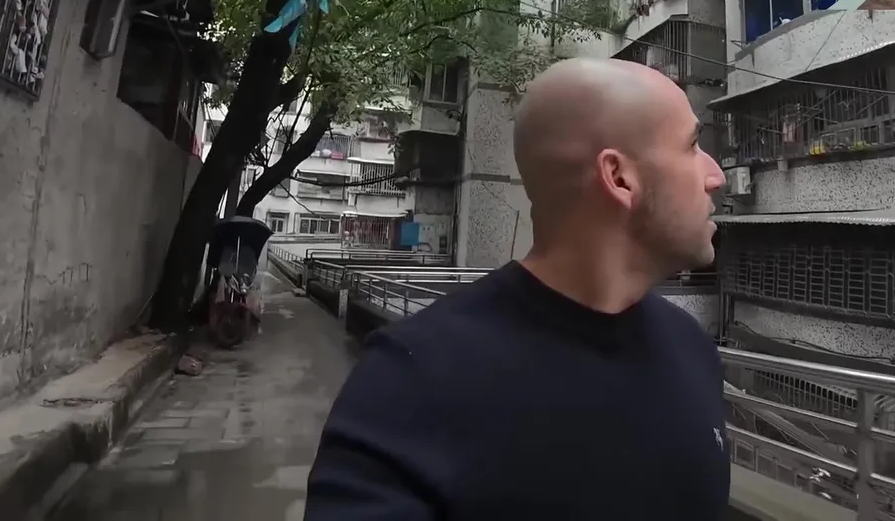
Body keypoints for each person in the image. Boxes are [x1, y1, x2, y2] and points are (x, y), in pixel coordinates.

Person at [304, 58, 731, 521]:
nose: (717, 176)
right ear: (620, 177)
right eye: (692, 145)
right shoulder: (407, 386)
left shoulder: (692, 348)